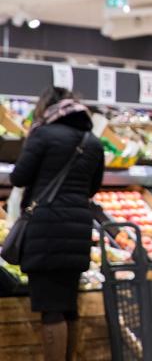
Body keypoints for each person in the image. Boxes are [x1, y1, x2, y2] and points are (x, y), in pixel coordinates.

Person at [9, 87, 105, 361]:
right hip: (78, 229)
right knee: (68, 306)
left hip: (45, 230)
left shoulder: (43, 135)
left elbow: (19, 177)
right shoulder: (92, 142)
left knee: (50, 307)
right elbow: (93, 187)